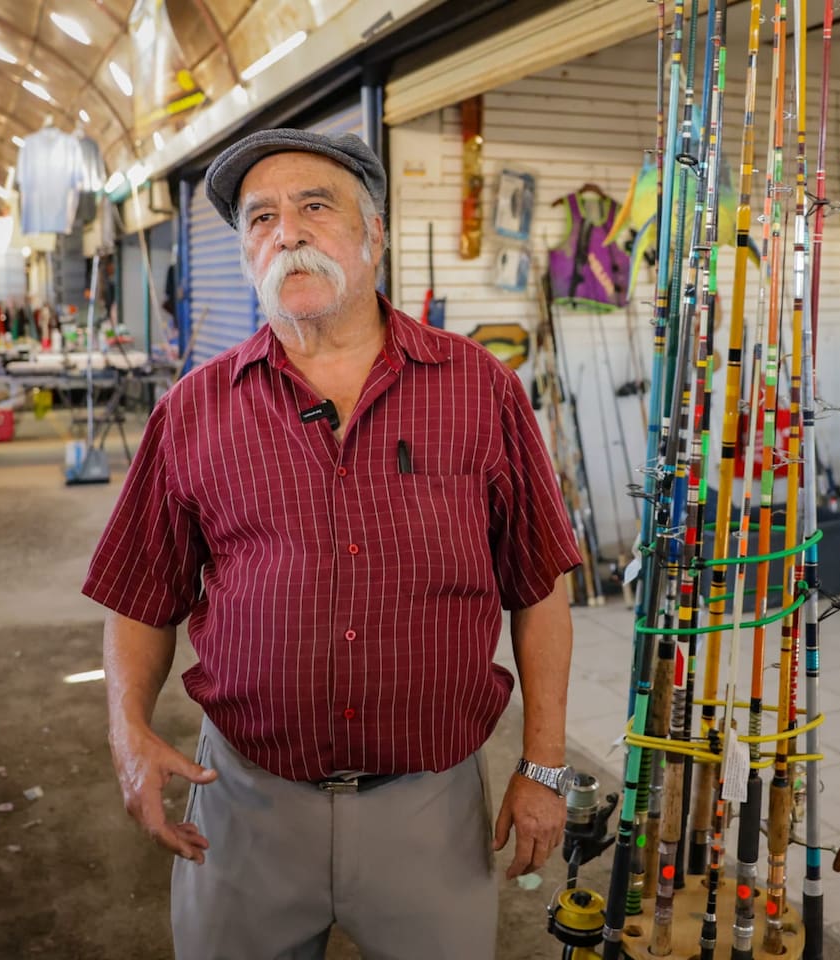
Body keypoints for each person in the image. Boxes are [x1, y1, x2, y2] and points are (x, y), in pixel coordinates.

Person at [82, 128, 583, 960]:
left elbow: (539, 588)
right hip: (243, 805)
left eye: (317, 207)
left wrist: (546, 765)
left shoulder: (479, 389)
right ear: (246, 248)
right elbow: (141, 595)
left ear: (375, 233)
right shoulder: (193, 411)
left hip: (428, 808)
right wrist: (127, 732)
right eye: (261, 217)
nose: (289, 232)